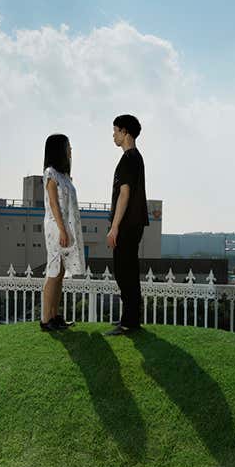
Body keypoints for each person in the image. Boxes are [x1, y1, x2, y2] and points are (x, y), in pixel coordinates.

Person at [105, 114, 149, 336]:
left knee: (124, 272)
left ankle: (129, 322)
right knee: (128, 271)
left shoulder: (128, 159)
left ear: (125, 132)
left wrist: (114, 227)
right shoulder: (136, 158)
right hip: (134, 223)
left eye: (115, 131)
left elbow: (124, 194)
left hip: (127, 224)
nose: (113, 135)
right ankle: (130, 320)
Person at [40, 134, 84, 332]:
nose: (70, 150)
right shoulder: (50, 174)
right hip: (55, 226)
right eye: (68, 147)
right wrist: (62, 229)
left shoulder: (64, 176)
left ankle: (55, 315)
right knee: (54, 270)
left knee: (61, 272)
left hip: (64, 226)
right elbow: (53, 204)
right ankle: (45, 318)